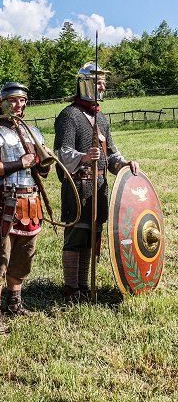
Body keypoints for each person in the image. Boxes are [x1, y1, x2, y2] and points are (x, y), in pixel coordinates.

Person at [54, 63, 139, 302]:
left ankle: (83, 285)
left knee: (92, 237)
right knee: (76, 238)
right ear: (87, 84)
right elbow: (60, 153)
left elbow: (110, 153)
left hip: (99, 187)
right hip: (78, 186)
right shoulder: (69, 115)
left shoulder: (100, 117)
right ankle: (71, 289)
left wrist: (123, 164)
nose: (103, 87)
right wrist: (83, 157)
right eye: (99, 82)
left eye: (103, 82)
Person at [0, 82, 48, 333]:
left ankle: (14, 302)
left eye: (22, 100)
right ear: (1, 103)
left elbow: (40, 168)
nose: (18, 105)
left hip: (30, 201)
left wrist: (43, 165)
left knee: (24, 256)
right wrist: (18, 164)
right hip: (4, 199)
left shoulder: (34, 132)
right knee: (0, 257)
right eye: (12, 100)